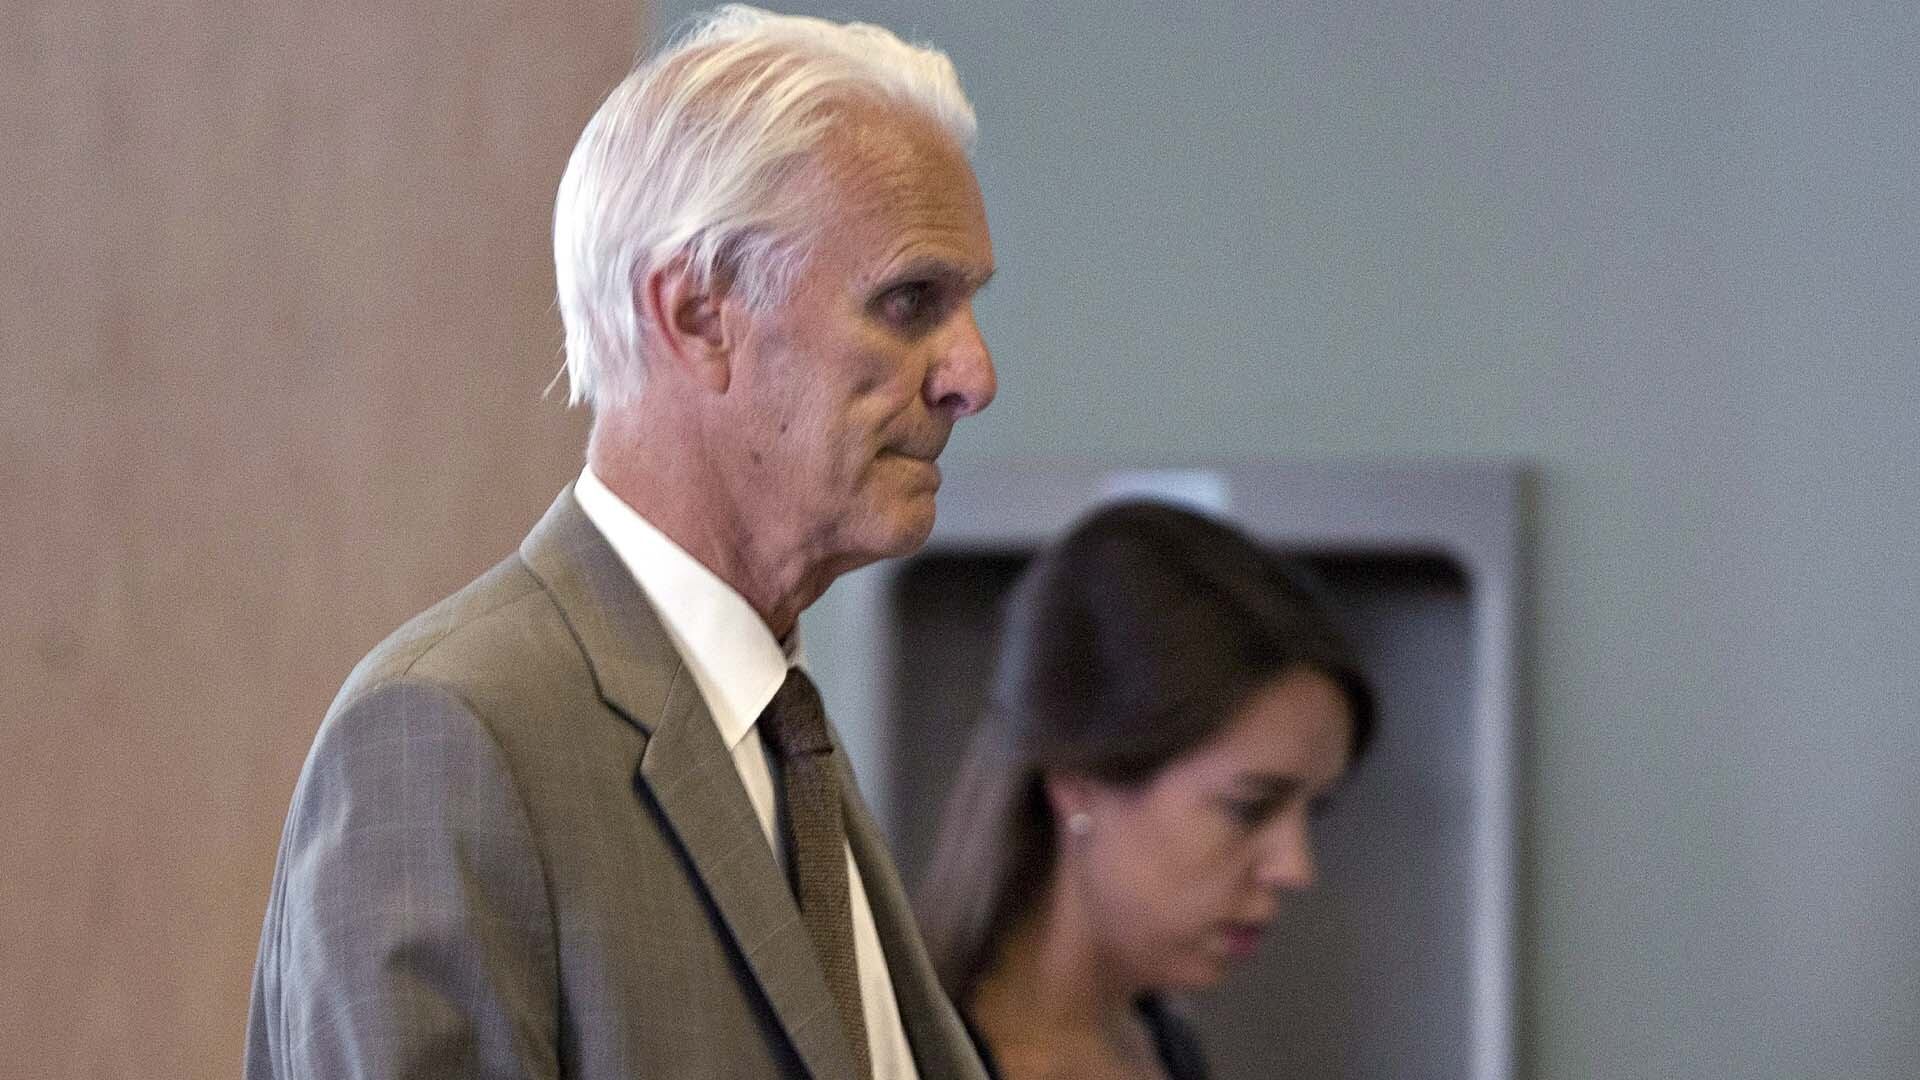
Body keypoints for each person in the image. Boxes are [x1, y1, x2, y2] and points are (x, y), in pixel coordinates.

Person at [244, 7, 998, 1079]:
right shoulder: (447, 736)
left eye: (965, 307)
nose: (973, 376)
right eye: (910, 301)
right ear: (696, 316)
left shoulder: (783, 737)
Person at [917, 501, 1376, 1080]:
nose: (1296, 869)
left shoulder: (1159, 1044)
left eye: (1315, 808)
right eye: (1249, 808)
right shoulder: (914, 1063)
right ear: (1079, 782)